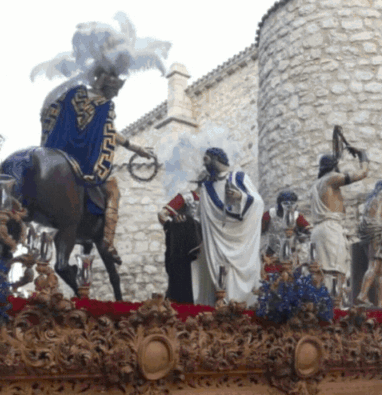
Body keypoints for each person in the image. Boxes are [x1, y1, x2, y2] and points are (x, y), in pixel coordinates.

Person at [40, 67, 154, 264]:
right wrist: (137, 148)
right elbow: (109, 131)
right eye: (115, 89)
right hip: (85, 160)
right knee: (113, 190)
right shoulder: (104, 105)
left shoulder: (74, 94)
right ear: (106, 83)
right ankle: (108, 243)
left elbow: (50, 112)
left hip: (57, 153)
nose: (116, 94)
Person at [158, 148, 264, 306]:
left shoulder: (235, 179)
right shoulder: (199, 193)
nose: (204, 165)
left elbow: (256, 202)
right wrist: (178, 223)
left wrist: (240, 197)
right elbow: (177, 215)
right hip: (204, 240)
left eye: (207, 160)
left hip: (226, 236)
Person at [309, 150, 369, 291]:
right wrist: (363, 156)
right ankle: (333, 308)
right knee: (335, 273)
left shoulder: (315, 185)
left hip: (318, 231)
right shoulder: (331, 178)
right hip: (331, 230)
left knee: (319, 273)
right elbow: (363, 173)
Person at [355, 179, 382, 307]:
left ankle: (381, 302)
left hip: (365, 233)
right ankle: (362, 295)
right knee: (374, 266)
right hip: (377, 231)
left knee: (381, 270)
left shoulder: (370, 199)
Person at [261, 190, 311, 257]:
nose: (288, 206)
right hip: (272, 252)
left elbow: (308, 233)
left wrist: (296, 231)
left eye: (291, 203)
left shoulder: (297, 216)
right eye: (285, 203)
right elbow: (260, 232)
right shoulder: (269, 214)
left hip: (291, 252)